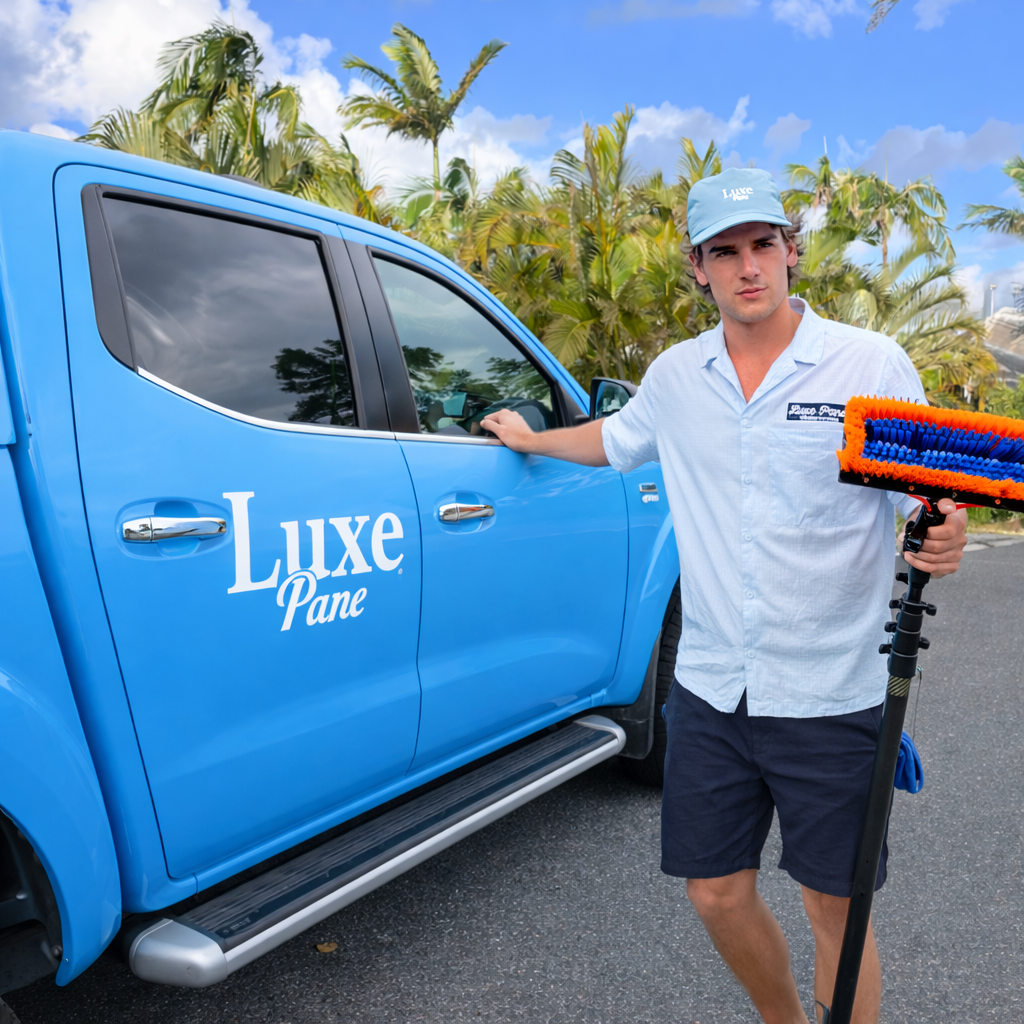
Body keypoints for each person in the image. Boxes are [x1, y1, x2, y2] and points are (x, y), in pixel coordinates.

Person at [481, 167, 967, 1024]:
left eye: (763, 245)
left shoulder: (867, 363)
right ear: (698, 268)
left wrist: (944, 532)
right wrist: (531, 438)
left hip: (832, 693)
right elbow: (616, 439)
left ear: (789, 253)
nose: (749, 267)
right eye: (725, 251)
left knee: (836, 911)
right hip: (711, 687)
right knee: (713, 892)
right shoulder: (676, 376)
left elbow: (925, 498)